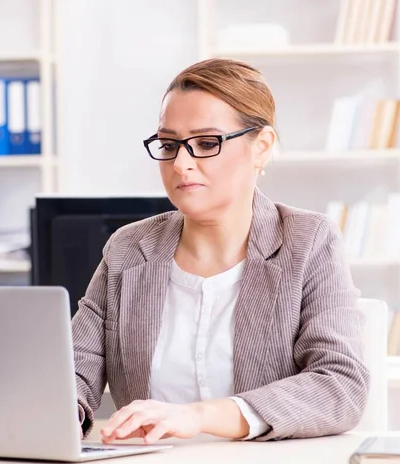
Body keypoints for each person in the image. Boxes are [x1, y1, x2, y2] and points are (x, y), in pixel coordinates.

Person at [72, 57, 369, 444]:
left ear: (261, 147)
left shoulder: (308, 240)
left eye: (206, 143)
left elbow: (340, 386)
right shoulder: (128, 248)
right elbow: (76, 370)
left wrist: (200, 416)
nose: (181, 163)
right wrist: (58, 412)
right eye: (169, 144)